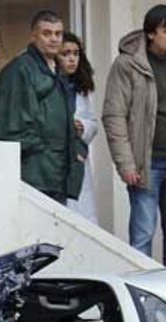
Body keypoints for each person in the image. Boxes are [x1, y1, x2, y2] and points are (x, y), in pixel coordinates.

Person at [102, 4, 166, 267]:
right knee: (142, 236)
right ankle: (141, 288)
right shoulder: (127, 64)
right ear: (150, 34)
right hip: (146, 166)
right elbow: (114, 116)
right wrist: (125, 164)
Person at [0, 10, 84, 204]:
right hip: (35, 171)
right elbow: (12, 124)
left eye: (58, 33)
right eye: (47, 33)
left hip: (57, 171)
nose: (54, 39)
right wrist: (39, 149)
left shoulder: (57, 70)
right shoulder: (20, 69)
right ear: (34, 36)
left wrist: (77, 148)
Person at [58, 32, 100, 223]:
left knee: (82, 215)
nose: (72, 59)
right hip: (57, 158)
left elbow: (92, 122)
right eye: (65, 53)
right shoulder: (48, 84)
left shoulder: (80, 87)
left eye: (76, 53)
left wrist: (83, 127)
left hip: (78, 156)